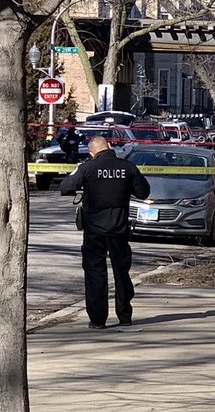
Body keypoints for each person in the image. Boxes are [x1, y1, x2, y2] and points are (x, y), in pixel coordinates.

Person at [60, 136, 150, 329]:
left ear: (92, 153)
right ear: (109, 147)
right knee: (121, 273)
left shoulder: (87, 167)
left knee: (95, 274)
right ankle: (124, 315)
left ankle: (98, 319)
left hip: (94, 231)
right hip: (119, 229)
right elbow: (144, 192)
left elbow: (66, 186)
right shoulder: (127, 167)